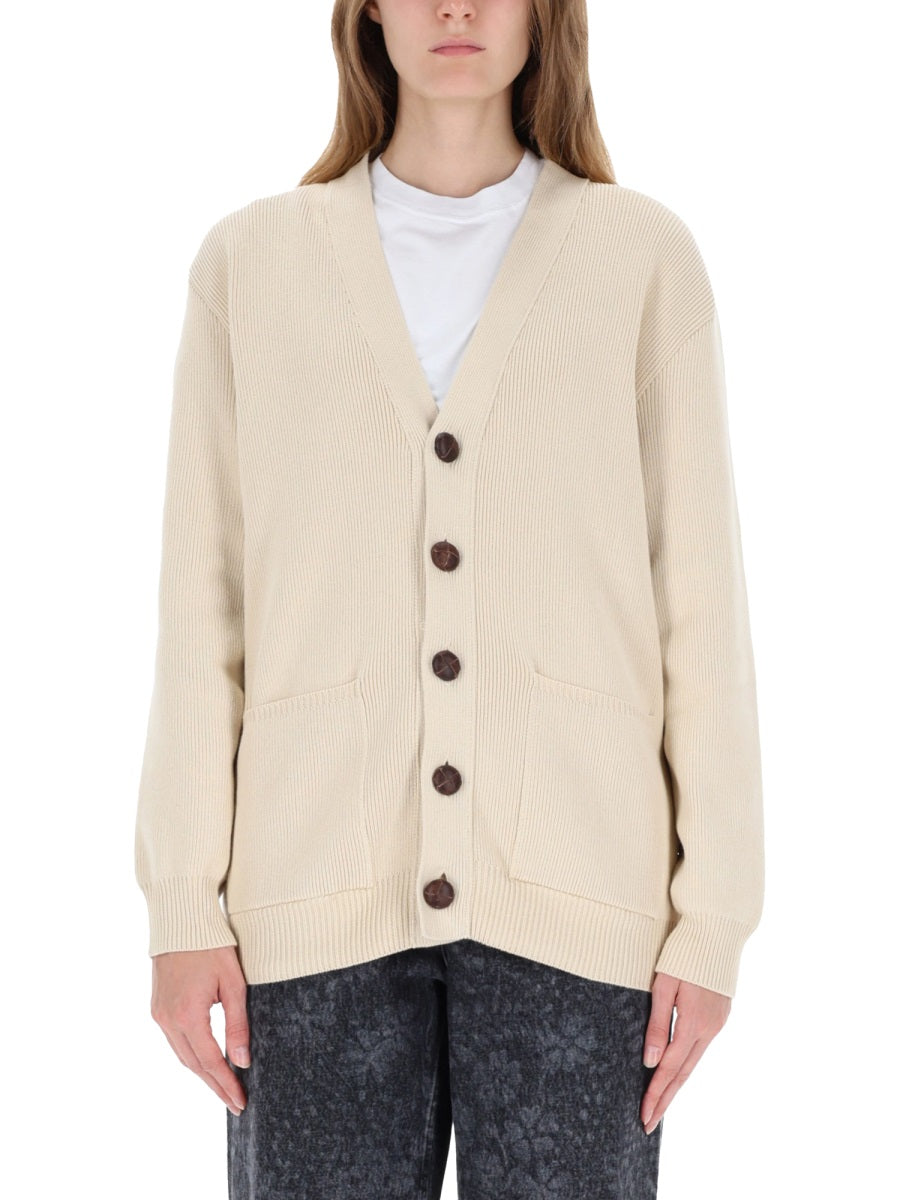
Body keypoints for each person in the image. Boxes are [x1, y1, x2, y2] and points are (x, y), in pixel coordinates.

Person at [134, 1, 765, 1196]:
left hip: (581, 891)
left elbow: (702, 605)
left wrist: (715, 915)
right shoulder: (250, 266)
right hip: (308, 895)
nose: (457, 7)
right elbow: (202, 610)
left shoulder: (640, 259)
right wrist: (182, 908)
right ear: (368, 8)